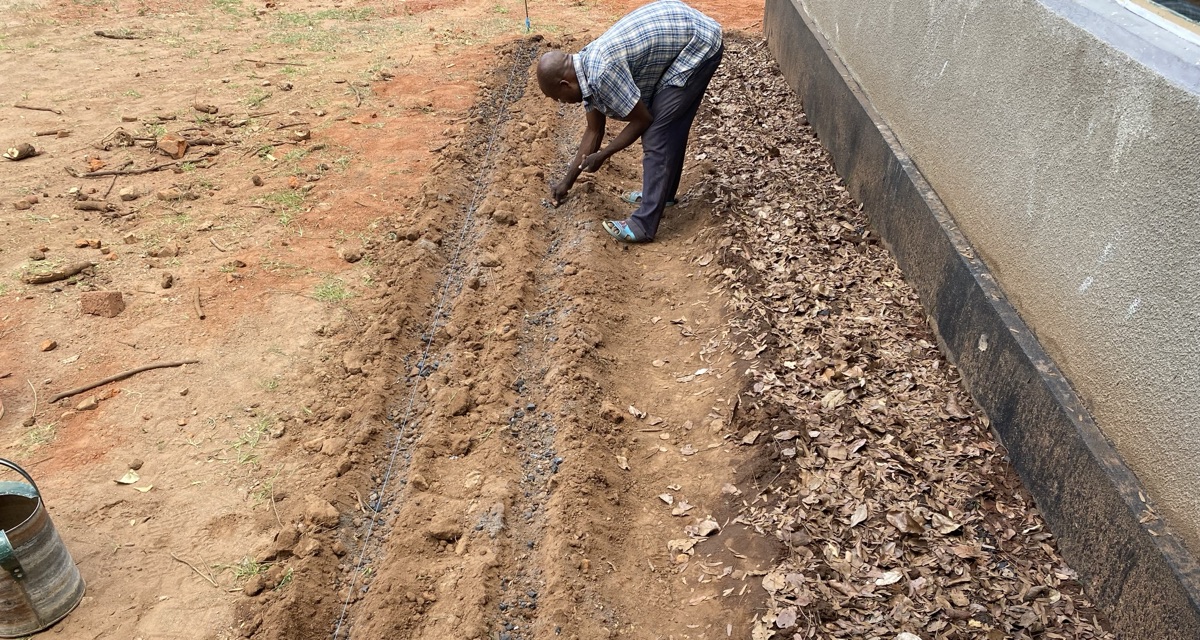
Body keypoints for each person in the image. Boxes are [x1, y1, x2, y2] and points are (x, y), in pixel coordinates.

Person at [535, 0, 723, 243]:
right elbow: (594, 131)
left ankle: (643, 225)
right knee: (668, 125)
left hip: (698, 45)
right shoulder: (583, 70)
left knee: (657, 132)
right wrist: (566, 182)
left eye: (559, 98)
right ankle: (660, 194)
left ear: (565, 84)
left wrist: (604, 155)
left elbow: (642, 119)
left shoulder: (601, 72)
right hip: (681, 33)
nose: (562, 103)